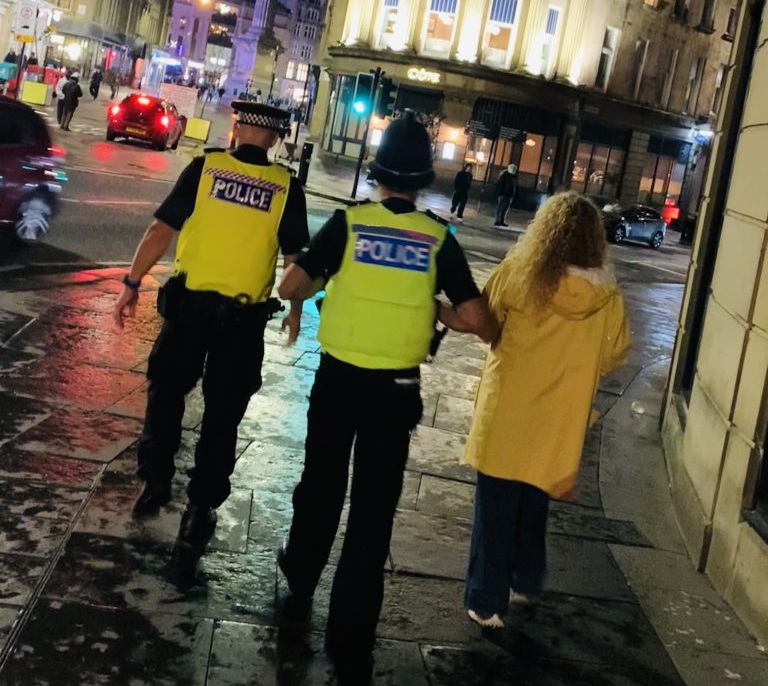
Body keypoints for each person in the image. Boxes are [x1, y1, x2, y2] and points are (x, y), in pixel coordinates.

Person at [277, 112, 498, 685]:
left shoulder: (349, 224)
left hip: (336, 381)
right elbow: (476, 318)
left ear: (375, 173)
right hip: (394, 393)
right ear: (424, 179)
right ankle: (351, 631)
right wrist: (438, 309)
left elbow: (291, 284)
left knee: (321, 483)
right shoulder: (437, 237)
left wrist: (324, 286)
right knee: (373, 511)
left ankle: (300, 580)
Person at [113, 100, 309, 551]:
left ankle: (156, 480)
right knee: (223, 414)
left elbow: (161, 231)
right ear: (277, 138)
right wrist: (296, 312)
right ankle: (200, 508)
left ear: (236, 129)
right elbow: (295, 262)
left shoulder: (206, 170)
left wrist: (131, 282)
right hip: (242, 322)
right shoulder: (285, 188)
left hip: (189, 311)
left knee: (165, 389)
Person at [463, 192, 630, 628]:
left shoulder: (520, 273)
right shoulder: (606, 295)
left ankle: (486, 598)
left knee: (495, 505)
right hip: (558, 419)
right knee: (533, 500)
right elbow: (615, 352)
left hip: (508, 409)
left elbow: (486, 318)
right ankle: (526, 579)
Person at [493, 162, 518, 227]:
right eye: (513, 169)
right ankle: (498, 220)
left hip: (508, 195)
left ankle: (501, 220)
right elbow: (500, 185)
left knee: (504, 208)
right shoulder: (505, 176)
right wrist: (500, 193)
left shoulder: (513, 177)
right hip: (503, 194)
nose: (514, 170)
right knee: (501, 207)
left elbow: (514, 187)